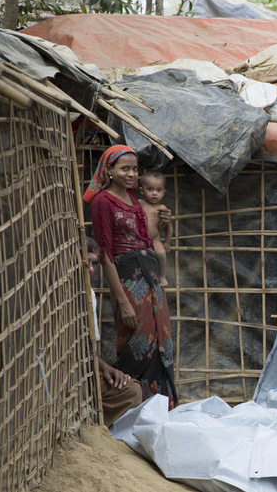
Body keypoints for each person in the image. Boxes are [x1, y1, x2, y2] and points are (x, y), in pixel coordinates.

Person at [84, 145, 179, 410]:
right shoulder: (103, 202)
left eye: (135, 169)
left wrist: (165, 225)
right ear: (109, 170)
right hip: (129, 280)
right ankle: (130, 403)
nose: (131, 174)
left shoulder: (135, 201)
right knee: (139, 340)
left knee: (161, 339)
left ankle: (161, 407)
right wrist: (122, 300)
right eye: (124, 168)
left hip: (149, 276)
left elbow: (148, 239)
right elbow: (105, 255)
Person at [83, 236, 143, 426]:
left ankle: (92, 421)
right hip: (61, 372)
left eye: (94, 264)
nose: (91, 270)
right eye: (86, 262)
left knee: (131, 390)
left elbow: (88, 349)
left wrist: (107, 368)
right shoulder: (55, 291)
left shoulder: (89, 295)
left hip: (85, 370)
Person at [138, 171, 173, 287]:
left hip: (155, 239)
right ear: (142, 190)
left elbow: (169, 226)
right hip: (140, 239)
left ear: (164, 192)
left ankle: (162, 276)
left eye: (158, 190)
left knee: (161, 254)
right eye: (150, 189)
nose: (154, 193)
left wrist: (167, 242)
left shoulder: (161, 208)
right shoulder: (139, 204)